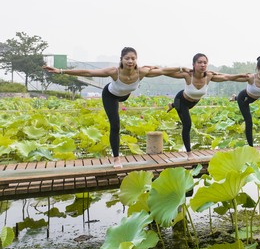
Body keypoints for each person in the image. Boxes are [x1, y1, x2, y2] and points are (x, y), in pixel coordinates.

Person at [43, 47, 180, 168]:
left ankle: (116, 155)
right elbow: (88, 73)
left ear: (136, 60)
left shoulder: (142, 71)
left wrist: (183, 69)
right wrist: (61, 71)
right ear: (121, 59)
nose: (130, 61)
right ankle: (116, 158)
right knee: (115, 126)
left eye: (133, 58)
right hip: (110, 96)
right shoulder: (114, 71)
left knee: (140, 83)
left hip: (125, 95)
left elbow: (163, 71)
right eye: (127, 58)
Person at [165, 53, 249, 159]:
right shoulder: (188, 75)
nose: (202, 65)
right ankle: (189, 153)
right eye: (199, 62)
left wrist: (243, 75)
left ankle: (171, 105)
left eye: (205, 62)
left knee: (189, 104)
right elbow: (166, 72)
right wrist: (181, 68)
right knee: (187, 125)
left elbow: (227, 77)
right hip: (181, 100)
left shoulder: (209, 76)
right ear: (193, 64)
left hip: (193, 101)